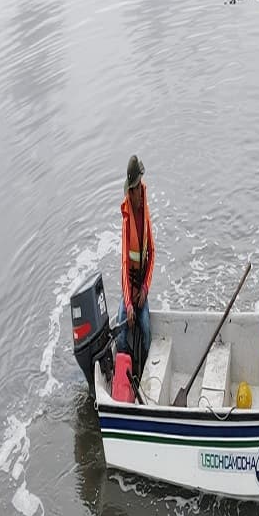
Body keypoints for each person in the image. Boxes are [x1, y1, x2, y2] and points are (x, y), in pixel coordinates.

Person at [117, 153, 155, 369]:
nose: (141, 191)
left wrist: (145, 288)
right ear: (130, 192)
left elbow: (152, 252)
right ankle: (126, 370)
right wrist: (129, 303)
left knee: (147, 330)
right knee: (122, 335)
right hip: (129, 292)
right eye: (137, 187)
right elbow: (124, 263)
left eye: (141, 186)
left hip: (141, 289)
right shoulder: (126, 220)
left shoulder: (145, 213)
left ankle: (144, 371)